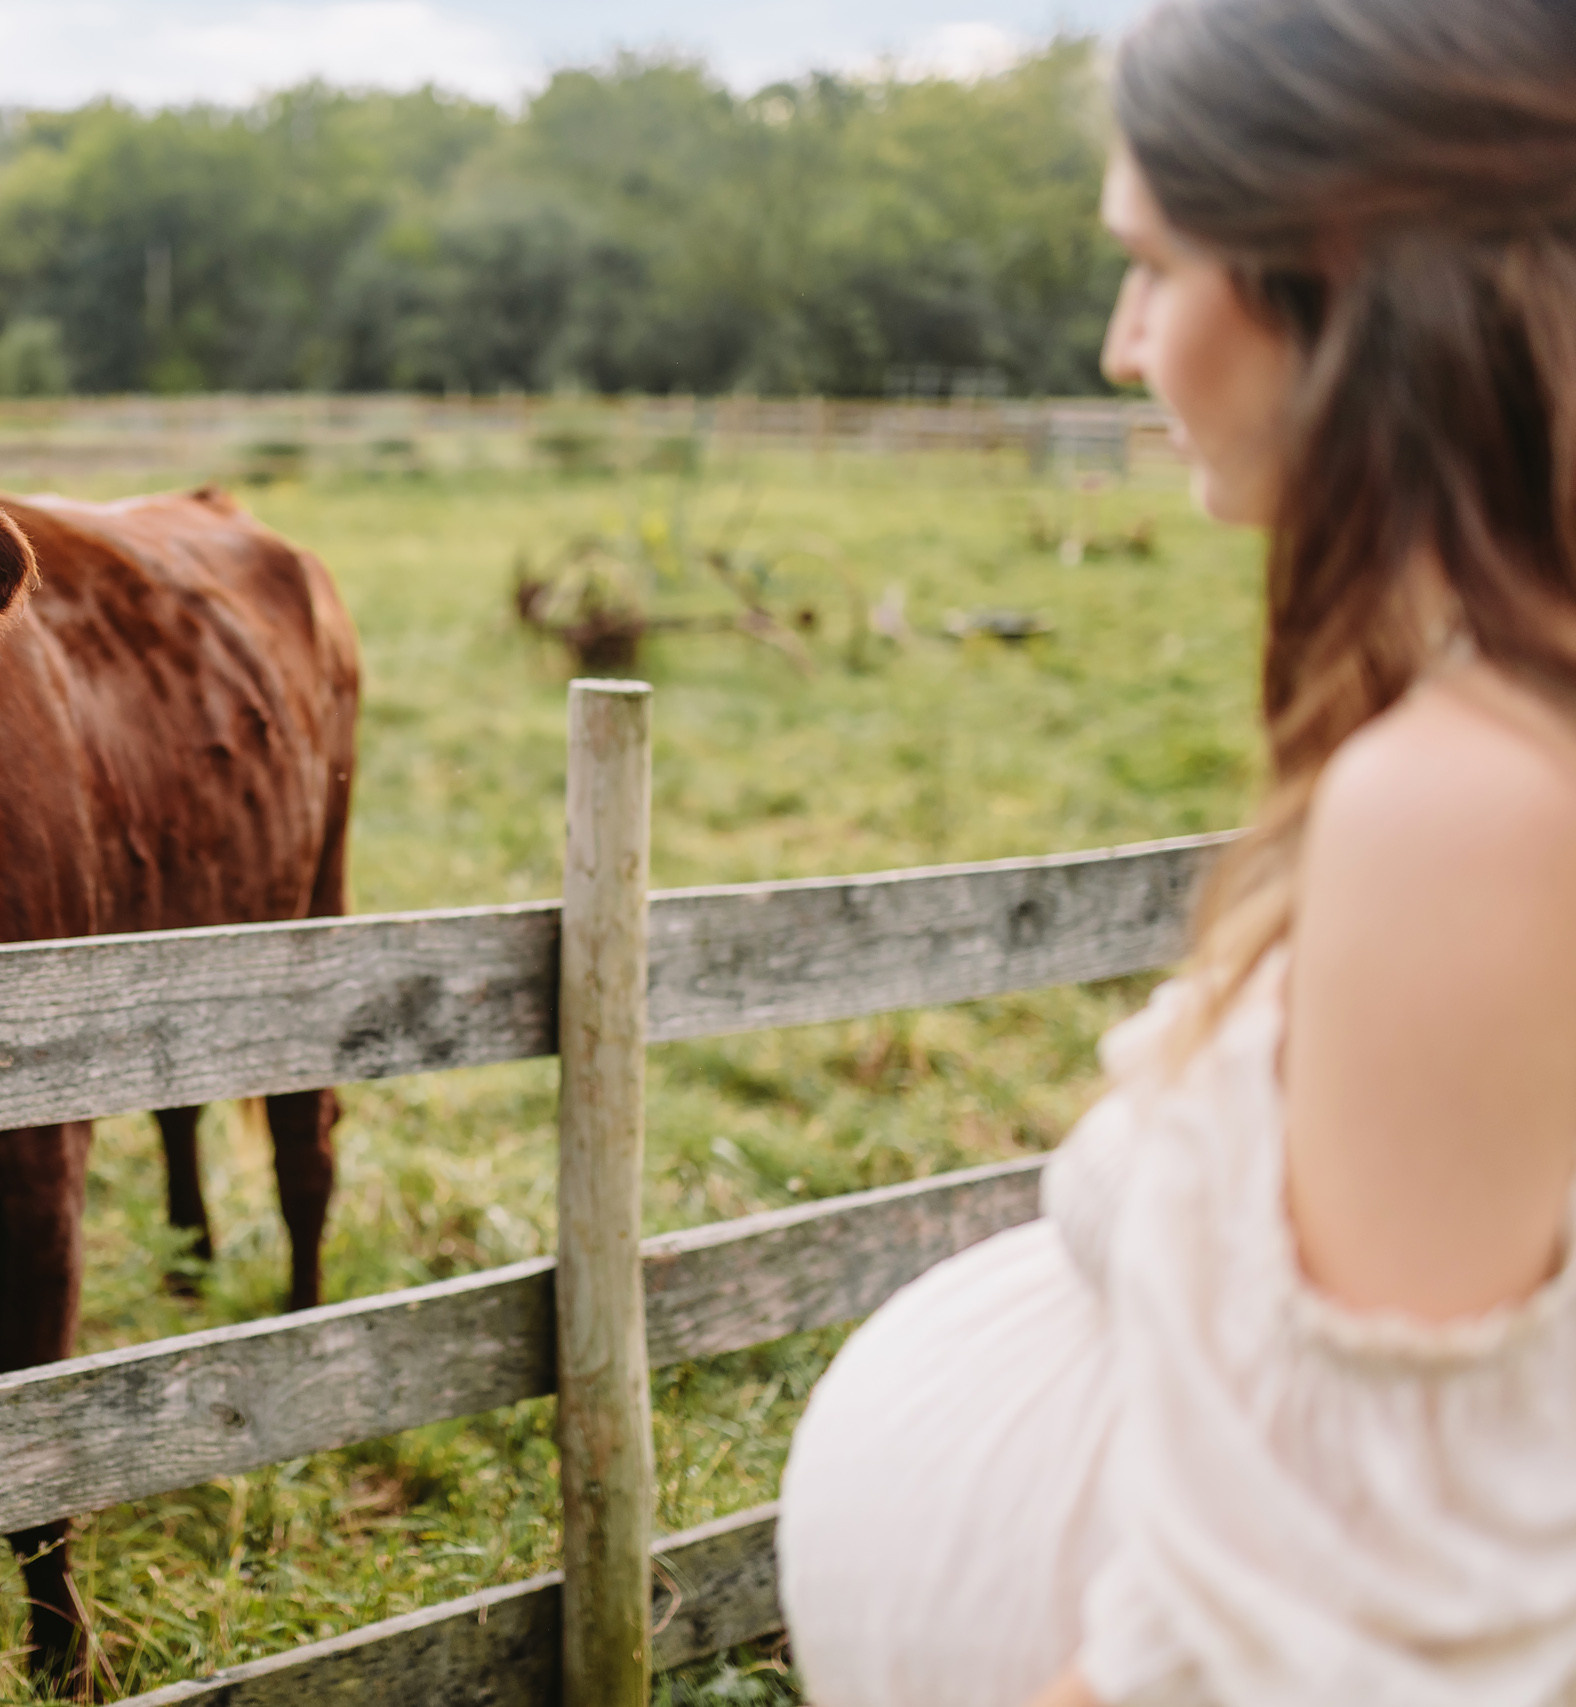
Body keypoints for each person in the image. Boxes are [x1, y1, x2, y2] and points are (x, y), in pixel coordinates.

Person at [772, 1, 1576, 1702]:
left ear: (1336, 260)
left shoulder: (1474, 802)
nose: (1125, 344)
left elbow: (1341, 1654)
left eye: (1154, 264)